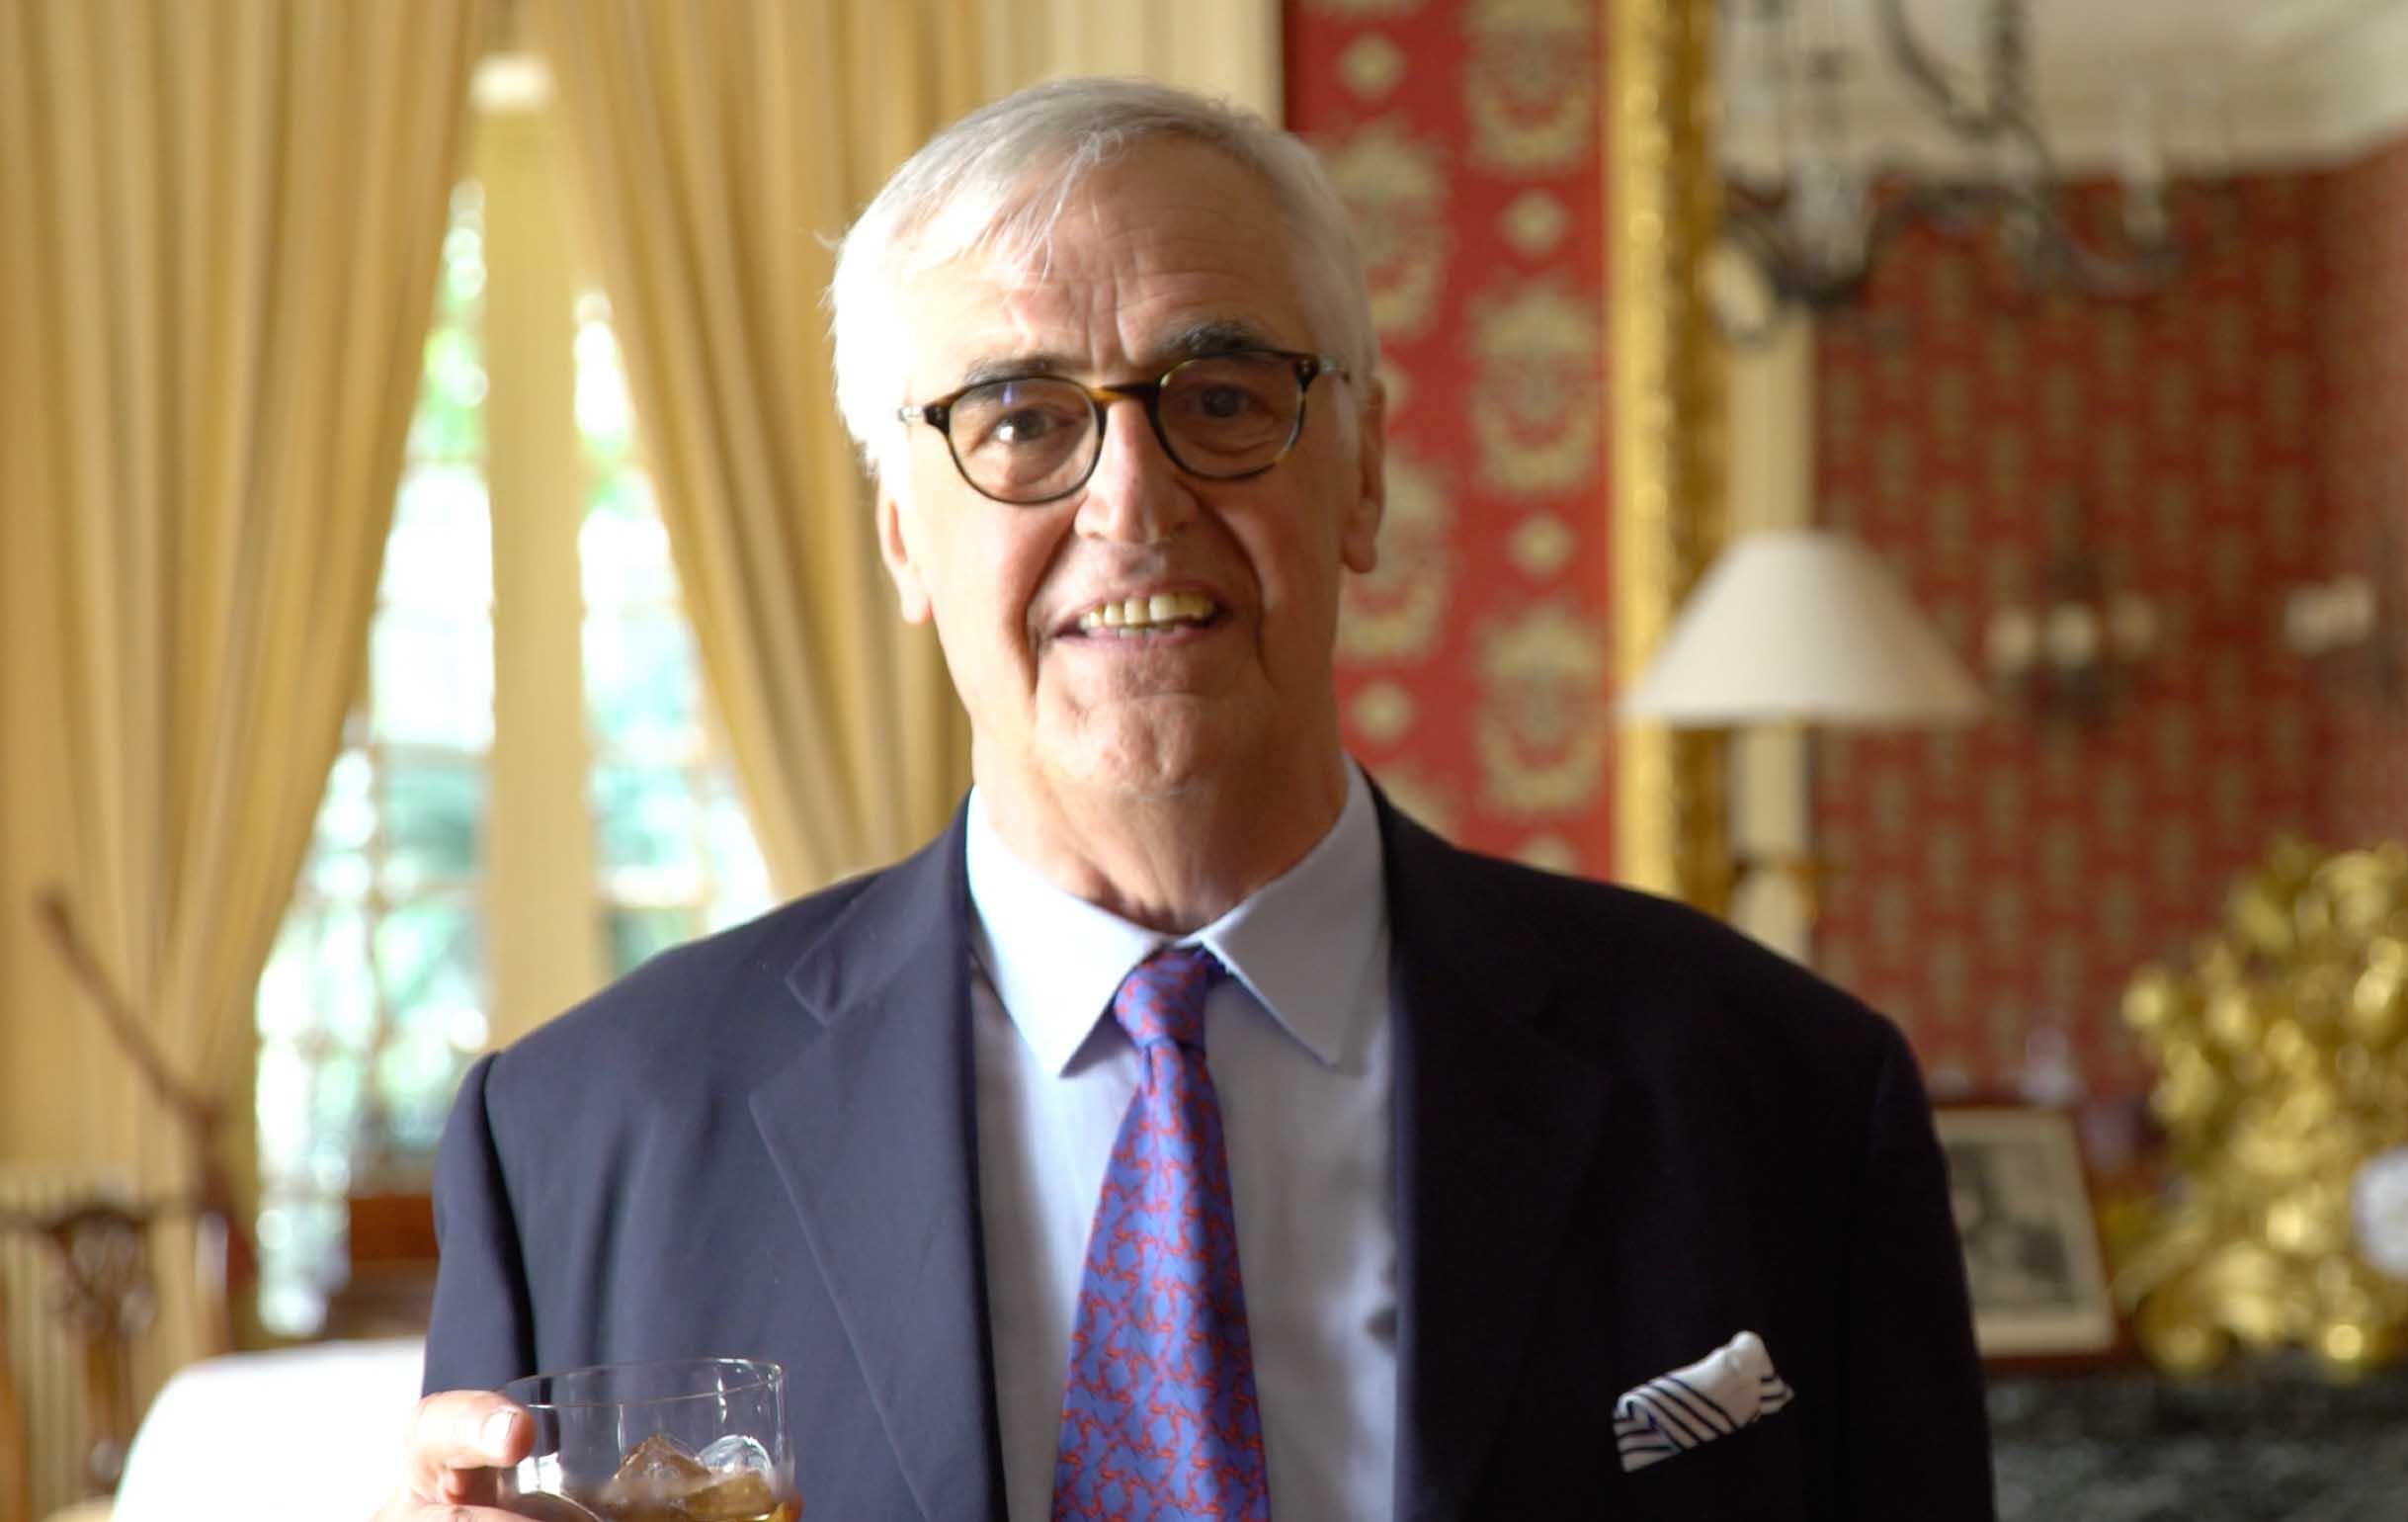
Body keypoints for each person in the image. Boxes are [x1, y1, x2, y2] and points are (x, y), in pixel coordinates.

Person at [380, 77, 1991, 1522]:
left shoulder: (1785, 1097)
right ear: (901, 539)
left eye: (1219, 398)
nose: (1133, 502)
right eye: (1019, 421)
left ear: (1359, 475)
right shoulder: (581, 1140)